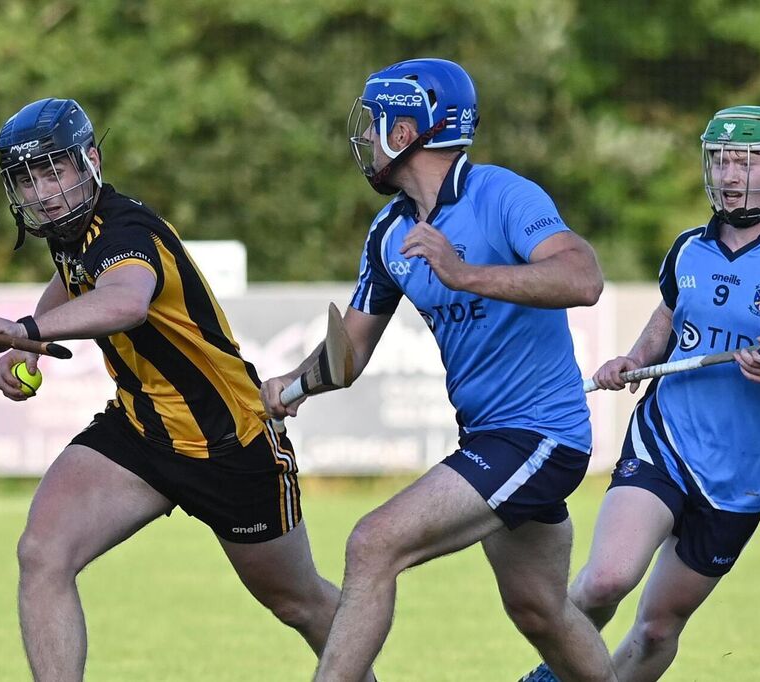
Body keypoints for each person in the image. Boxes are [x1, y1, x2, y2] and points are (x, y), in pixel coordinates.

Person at [0, 97, 369, 682]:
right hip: (141, 432)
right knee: (42, 554)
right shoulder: (70, 234)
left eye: (54, 170)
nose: (44, 191)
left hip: (231, 441)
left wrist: (22, 330)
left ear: (91, 162)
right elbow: (70, 279)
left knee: (296, 602)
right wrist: (28, 345)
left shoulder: (126, 227)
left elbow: (125, 301)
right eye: (27, 179)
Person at [261, 59, 616, 682]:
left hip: (542, 436)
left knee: (373, 543)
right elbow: (349, 355)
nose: (365, 140)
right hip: (487, 438)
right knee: (540, 611)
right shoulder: (388, 233)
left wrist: (464, 273)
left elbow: (583, 279)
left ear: (409, 129)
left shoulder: (504, 195)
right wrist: (290, 386)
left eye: (375, 126)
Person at [519, 106, 760, 682]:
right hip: (664, 439)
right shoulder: (689, 247)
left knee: (659, 628)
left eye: (746, 162)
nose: (731, 175)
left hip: (740, 477)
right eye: (721, 160)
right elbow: (668, 316)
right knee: (604, 580)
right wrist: (635, 361)